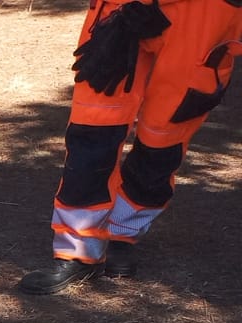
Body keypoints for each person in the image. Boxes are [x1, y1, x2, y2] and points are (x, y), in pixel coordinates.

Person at [19, 0, 242, 294]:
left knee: (164, 137)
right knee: (93, 125)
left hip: (205, 14)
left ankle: (122, 233)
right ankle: (78, 251)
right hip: (121, 7)